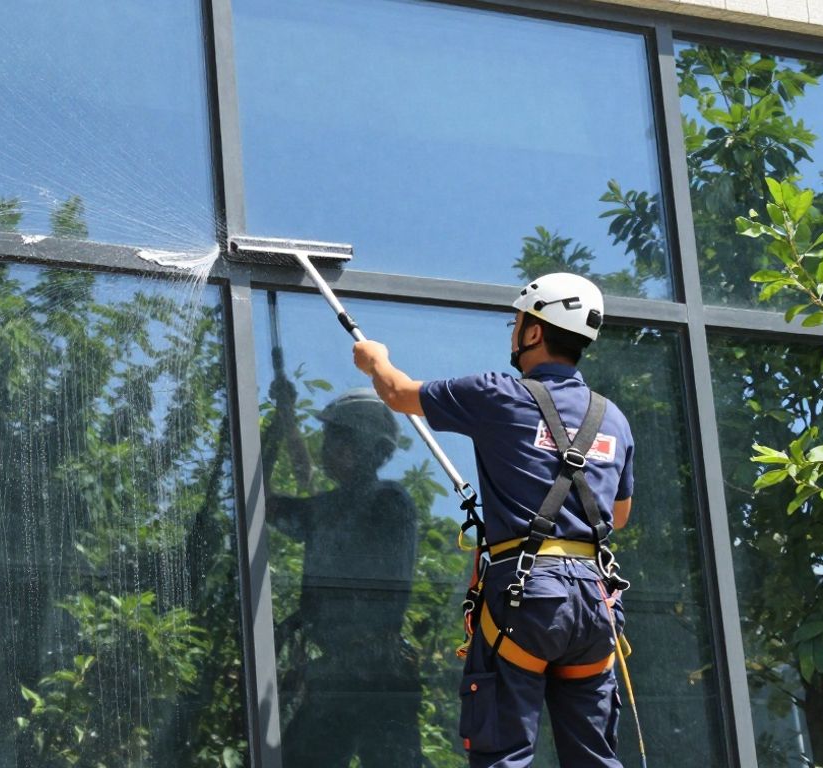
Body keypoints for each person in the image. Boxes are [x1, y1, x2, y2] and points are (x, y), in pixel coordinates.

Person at [352, 273, 635, 768]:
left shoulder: (498, 394)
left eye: (517, 322)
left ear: (533, 332)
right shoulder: (612, 419)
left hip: (528, 597)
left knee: (503, 754)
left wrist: (373, 356)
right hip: (595, 603)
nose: (513, 332)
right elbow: (618, 515)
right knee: (594, 759)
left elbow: (397, 393)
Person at [262, 384, 422, 767]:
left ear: (359, 448)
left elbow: (282, 505)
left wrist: (281, 421)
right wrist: (281, 421)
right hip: (352, 674)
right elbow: (282, 502)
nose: (328, 448)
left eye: (336, 438)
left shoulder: (385, 501)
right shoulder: (347, 506)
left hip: (368, 675)